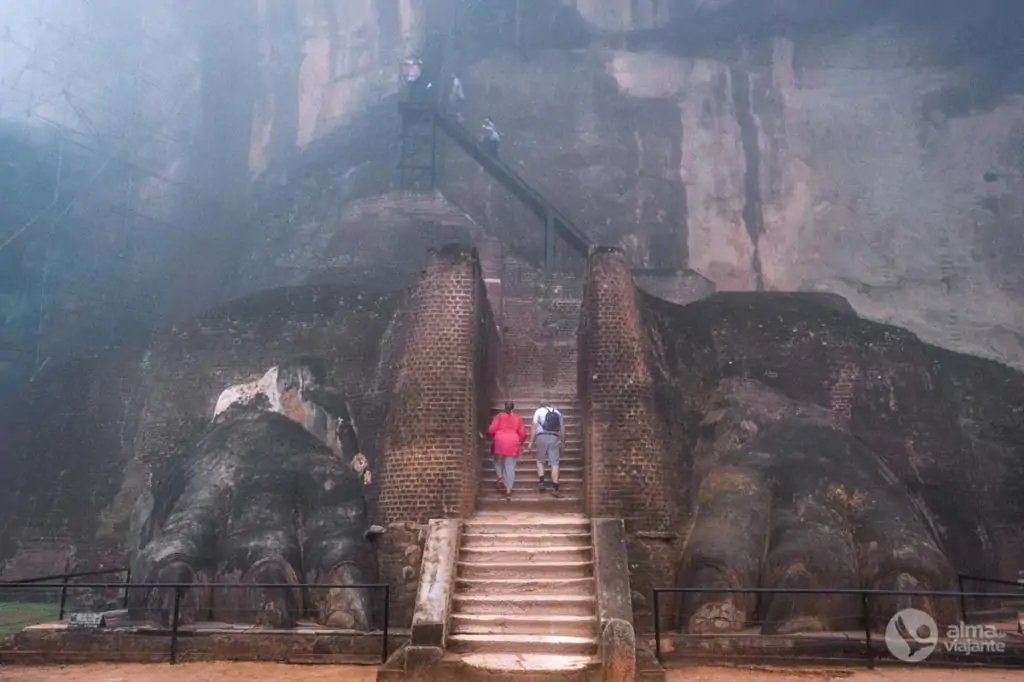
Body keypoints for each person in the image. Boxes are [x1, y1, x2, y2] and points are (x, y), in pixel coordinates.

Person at [487, 400, 526, 502]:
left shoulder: (499, 416)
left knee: (497, 461)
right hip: (513, 441)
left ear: (504, 407)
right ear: (513, 408)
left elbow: (491, 429)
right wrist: (520, 442)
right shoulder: (518, 418)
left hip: (500, 440)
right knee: (510, 466)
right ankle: (508, 490)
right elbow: (523, 434)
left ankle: (500, 477)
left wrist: (490, 437)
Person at [531, 401, 563, 497]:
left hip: (541, 437)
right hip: (554, 437)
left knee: (540, 460)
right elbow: (562, 428)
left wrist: (531, 441)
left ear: (541, 405)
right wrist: (563, 440)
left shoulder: (538, 411)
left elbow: (534, 426)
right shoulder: (557, 412)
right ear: (550, 406)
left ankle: (541, 482)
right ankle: (555, 488)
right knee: (555, 463)